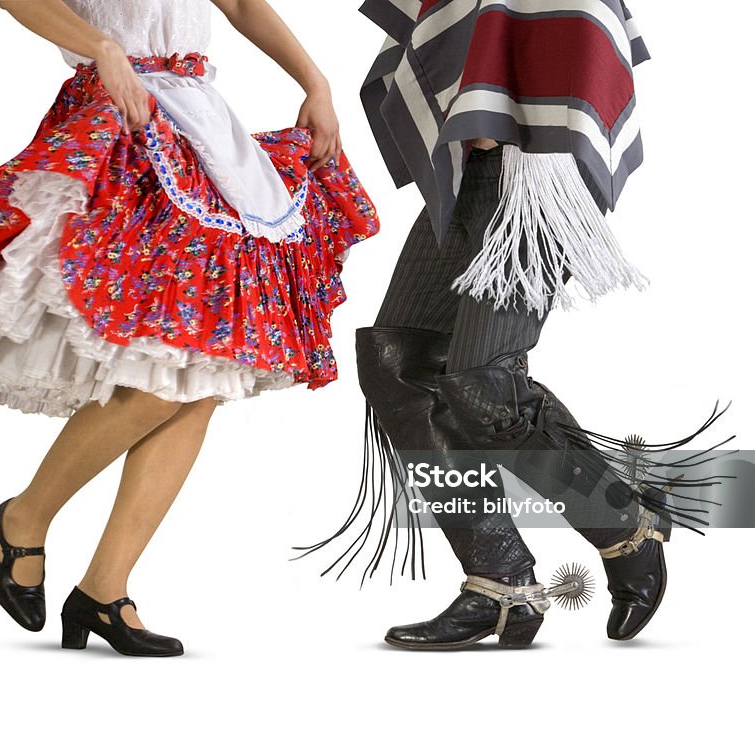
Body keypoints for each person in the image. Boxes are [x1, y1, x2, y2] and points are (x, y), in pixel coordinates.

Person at [0, 0, 378, 657]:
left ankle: (105, 588)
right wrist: (102, 49)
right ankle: (25, 517)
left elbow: (243, 3)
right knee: (168, 375)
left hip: (202, 129)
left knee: (201, 376)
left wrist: (316, 81)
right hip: (122, 126)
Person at [299, 0, 729, 649]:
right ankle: (501, 584)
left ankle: (624, 523)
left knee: (480, 380)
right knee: (398, 362)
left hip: (541, 172)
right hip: (471, 172)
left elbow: (574, 31)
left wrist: (513, 116)